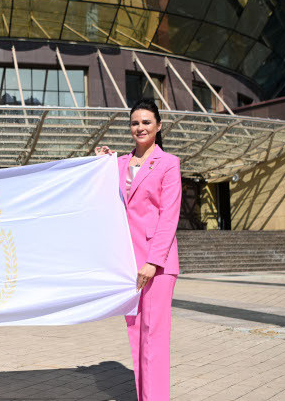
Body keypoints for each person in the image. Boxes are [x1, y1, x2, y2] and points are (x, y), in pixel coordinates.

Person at [96, 98, 180, 401]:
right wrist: (100, 161)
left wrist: (153, 262)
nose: (140, 127)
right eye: (135, 122)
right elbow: (103, 195)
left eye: (146, 122)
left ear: (158, 126)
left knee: (154, 337)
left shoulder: (169, 163)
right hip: (127, 263)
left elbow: (169, 216)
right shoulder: (119, 164)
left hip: (157, 264)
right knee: (137, 336)